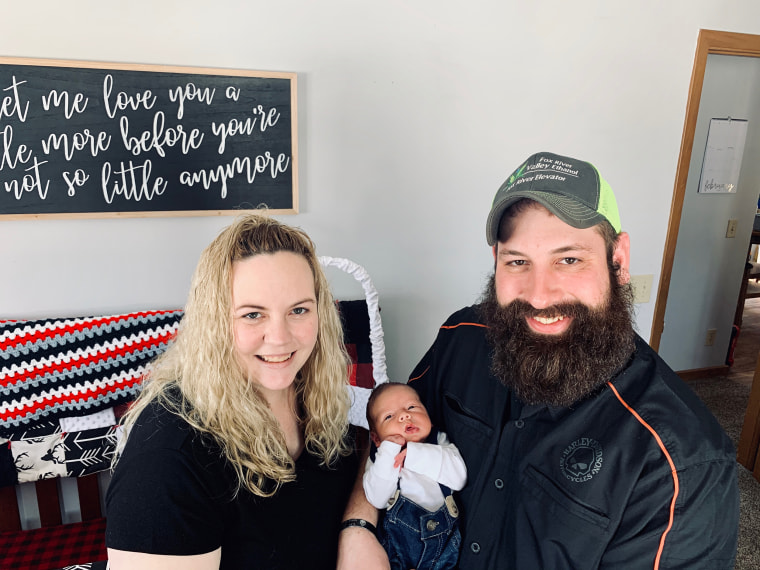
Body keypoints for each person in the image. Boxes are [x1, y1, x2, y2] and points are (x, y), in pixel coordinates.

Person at [338, 151, 739, 569]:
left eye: (569, 259)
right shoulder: (461, 339)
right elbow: (386, 430)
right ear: (496, 261)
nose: (540, 295)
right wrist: (358, 525)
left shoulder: (680, 463)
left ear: (618, 260)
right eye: (518, 262)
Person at [106, 214, 359, 570]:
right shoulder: (168, 456)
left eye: (299, 310)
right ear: (215, 322)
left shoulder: (315, 395)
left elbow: (368, 453)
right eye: (253, 315)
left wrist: (357, 527)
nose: (280, 337)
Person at [363, 382, 467, 570]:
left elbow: (458, 478)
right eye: (389, 416)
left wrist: (414, 454)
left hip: (444, 554)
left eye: (412, 407)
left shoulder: (439, 443)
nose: (404, 415)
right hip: (396, 554)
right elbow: (377, 498)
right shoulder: (381, 460)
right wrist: (389, 450)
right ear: (376, 439)